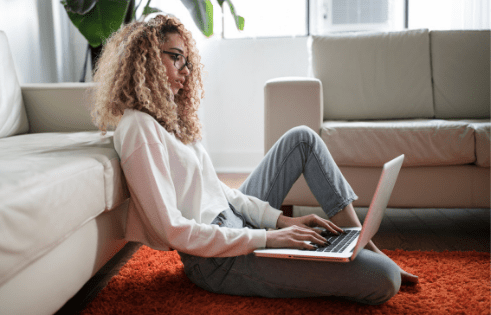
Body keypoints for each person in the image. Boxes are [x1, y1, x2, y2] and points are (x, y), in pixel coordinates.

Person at [91, 14, 418, 305]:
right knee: (383, 278)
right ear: (145, 59)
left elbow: (220, 192)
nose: (185, 71)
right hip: (216, 260)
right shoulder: (139, 128)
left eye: (187, 61)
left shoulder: (170, 120)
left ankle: (360, 241)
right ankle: (362, 254)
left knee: (301, 138)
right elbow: (172, 230)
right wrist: (267, 238)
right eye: (175, 58)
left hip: (235, 223)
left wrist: (280, 222)